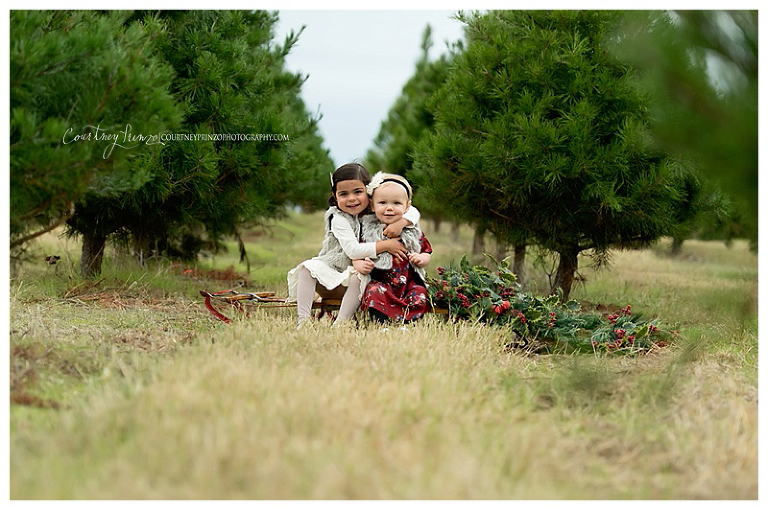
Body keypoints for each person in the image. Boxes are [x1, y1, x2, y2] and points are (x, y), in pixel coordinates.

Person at [287, 163, 421, 327]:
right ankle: (303, 321)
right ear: (335, 197)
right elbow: (352, 249)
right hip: (333, 274)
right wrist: (386, 245)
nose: (351, 198)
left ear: (369, 193)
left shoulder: (378, 209)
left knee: (359, 276)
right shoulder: (338, 218)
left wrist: (402, 222)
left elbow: (411, 208)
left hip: (358, 282)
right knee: (307, 269)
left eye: (358, 192)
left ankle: (341, 323)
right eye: (343, 194)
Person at [354, 173, 432, 326]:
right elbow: (357, 251)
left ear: (407, 206)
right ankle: (381, 322)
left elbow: (426, 251)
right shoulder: (369, 230)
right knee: (374, 291)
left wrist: (421, 259)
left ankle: (408, 322)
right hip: (381, 281)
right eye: (382, 203)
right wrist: (358, 264)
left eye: (396, 203)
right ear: (372, 205)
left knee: (420, 293)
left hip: (408, 282)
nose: (389, 208)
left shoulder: (412, 231)